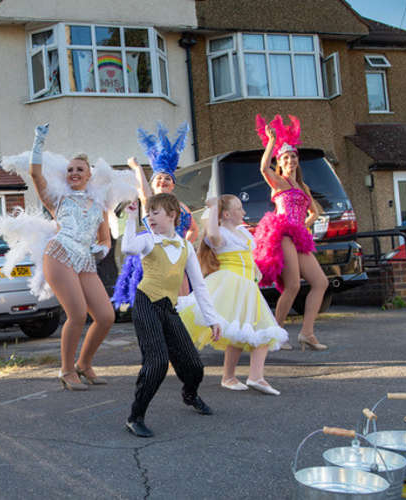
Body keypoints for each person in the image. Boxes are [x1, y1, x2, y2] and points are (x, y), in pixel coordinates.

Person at [0, 124, 137, 391]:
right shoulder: (58, 199)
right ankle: (66, 369)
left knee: (106, 316)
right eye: (70, 169)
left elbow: (105, 238)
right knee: (77, 313)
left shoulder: (99, 205)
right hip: (59, 254)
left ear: (89, 175)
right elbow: (36, 174)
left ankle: (84, 364)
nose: (73, 173)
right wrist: (38, 141)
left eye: (79, 169)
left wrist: (103, 250)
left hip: (84, 261)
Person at [120, 193, 221, 438]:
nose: (150, 217)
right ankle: (135, 417)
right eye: (148, 213)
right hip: (146, 304)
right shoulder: (147, 240)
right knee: (157, 363)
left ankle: (190, 395)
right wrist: (132, 217)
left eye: (156, 212)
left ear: (172, 214)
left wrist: (213, 319)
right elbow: (126, 247)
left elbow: (199, 285)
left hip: (169, 308)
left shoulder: (185, 246)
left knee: (195, 365)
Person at [180, 195, 288, 396]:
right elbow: (211, 235)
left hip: (247, 286)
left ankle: (233, 377)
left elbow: (249, 255)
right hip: (230, 285)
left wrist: (255, 270)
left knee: (243, 332)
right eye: (239, 209)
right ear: (227, 214)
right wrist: (213, 208)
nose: (244, 212)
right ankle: (251, 377)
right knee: (260, 329)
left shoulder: (241, 233)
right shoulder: (220, 233)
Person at [253, 115, 328, 351]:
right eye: (286, 157)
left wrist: (306, 225)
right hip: (283, 233)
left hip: (299, 237)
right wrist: (271, 142)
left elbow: (314, 212)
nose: (291, 160)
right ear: (280, 161)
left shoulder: (302, 187)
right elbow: (263, 167)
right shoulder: (278, 181)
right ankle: (276, 334)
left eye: (293, 156)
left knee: (320, 282)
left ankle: (307, 333)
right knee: (293, 285)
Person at [112, 123, 197, 310]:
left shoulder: (182, 207)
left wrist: (184, 245)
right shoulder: (151, 202)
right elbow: (143, 192)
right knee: (159, 302)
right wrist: (136, 168)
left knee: (182, 301)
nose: (164, 181)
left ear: (173, 185)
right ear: (153, 183)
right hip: (156, 257)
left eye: (168, 178)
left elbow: (193, 229)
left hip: (177, 256)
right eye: (159, 178)